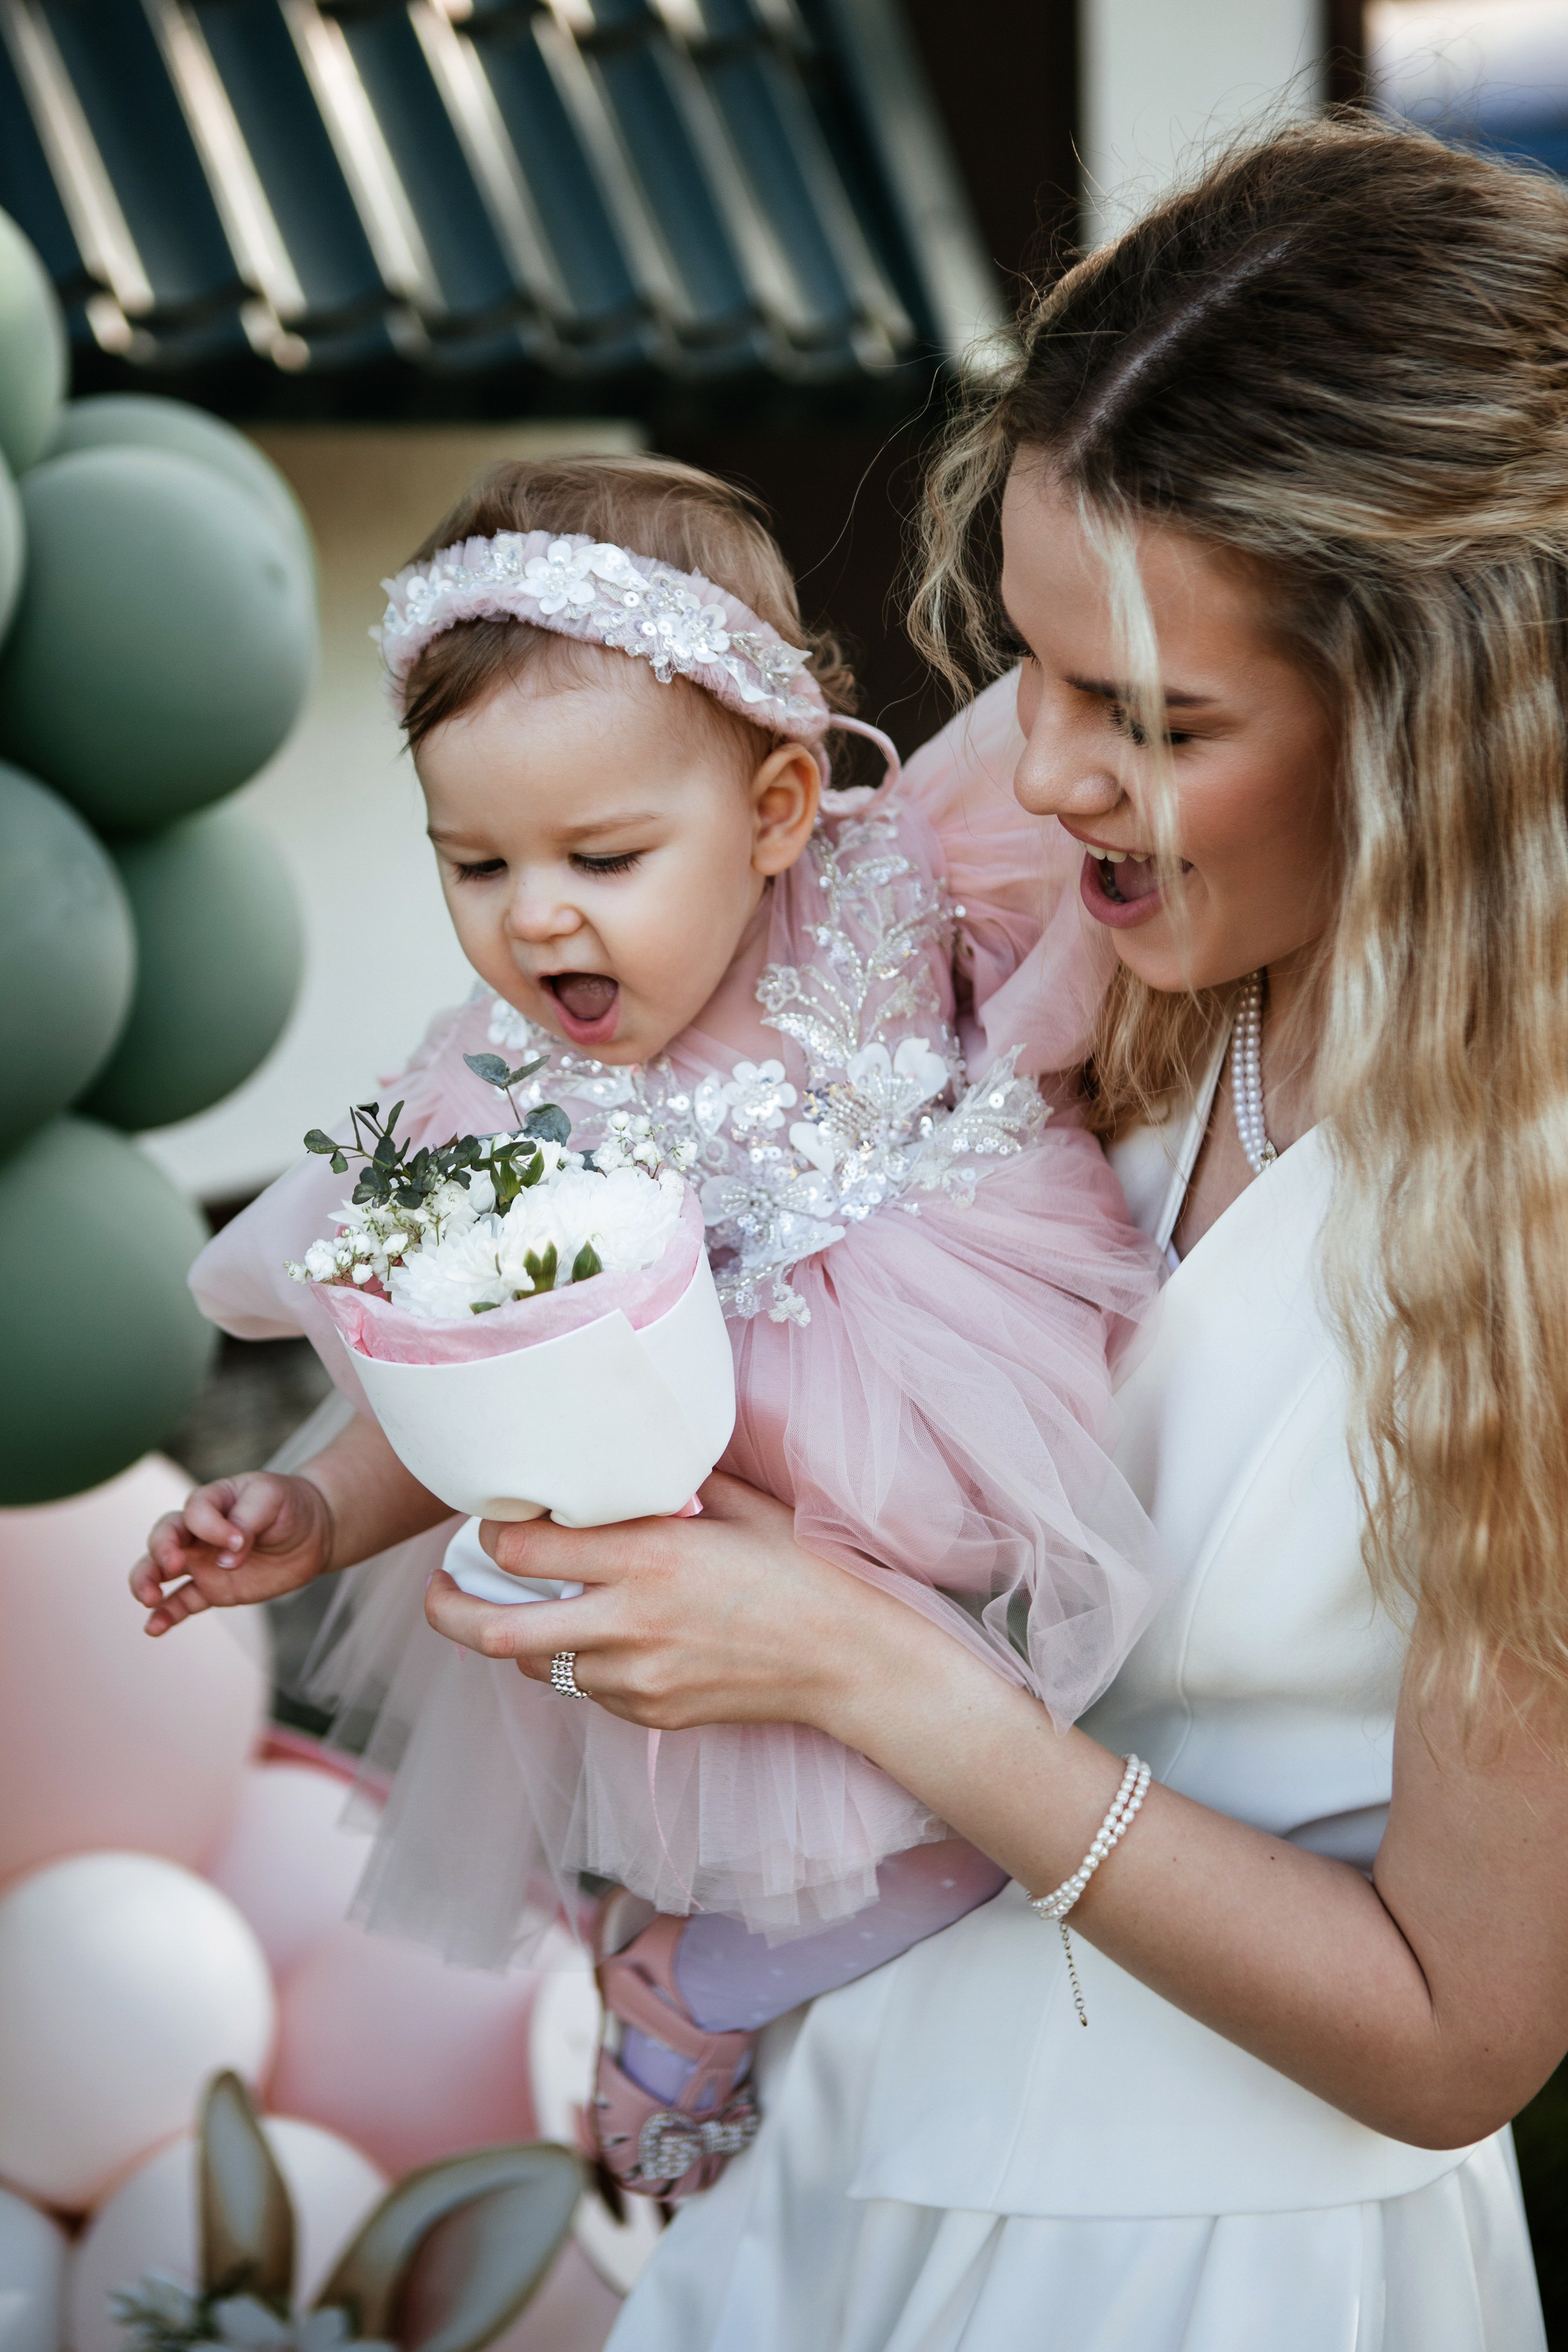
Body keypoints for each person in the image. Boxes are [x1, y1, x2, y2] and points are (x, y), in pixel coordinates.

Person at [405, 120, 1568, 2346]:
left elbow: (1456, 2039)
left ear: (1448, 731)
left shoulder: (1533, 1203)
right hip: (836, 2156)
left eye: (1152, 718)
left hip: (1208, 2272)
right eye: (1032, 664)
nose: (1030, 771)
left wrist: (861, 1676)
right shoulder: (1089, 913)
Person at [131, 458, 1168, 2203]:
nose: (535, 915)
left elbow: (1122, 853)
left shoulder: (893, 876)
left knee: (1048, 1768)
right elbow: (457, 1373)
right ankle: (689, 1986)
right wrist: (311, 1517)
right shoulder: (495, 1079)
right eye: (475, 862)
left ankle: (699, 1982)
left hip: (950, 1390)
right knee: (909, 1804)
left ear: (776, 807)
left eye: (602, 856)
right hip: (708, 1525)